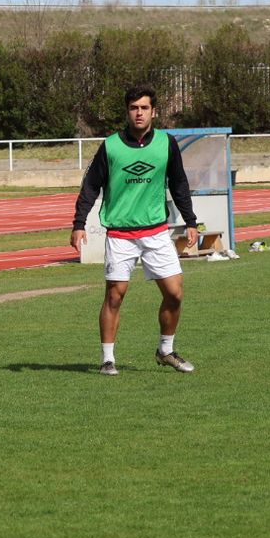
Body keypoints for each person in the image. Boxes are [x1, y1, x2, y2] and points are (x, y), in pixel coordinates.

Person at [70, 85, 199, 376]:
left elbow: (179, 184)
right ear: (127, 111)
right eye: (133, 108)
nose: (138, 113)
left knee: (175, 293)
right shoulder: (111, 146)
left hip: (156, 232)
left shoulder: (166, 144)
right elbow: (90, 187)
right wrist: (79, 224)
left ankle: (165, 350)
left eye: (144, 108)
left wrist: (190, 221)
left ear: (154, 111)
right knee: (115, 295)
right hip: (120, 234)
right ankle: (107, 359)